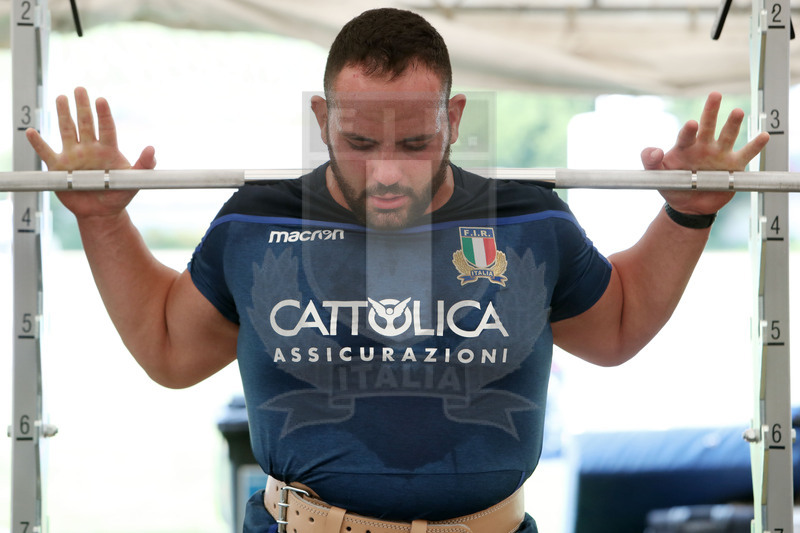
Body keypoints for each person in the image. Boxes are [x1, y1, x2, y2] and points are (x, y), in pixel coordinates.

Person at [26, 7, 768, 533]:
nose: (386, 171)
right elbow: (168, 347)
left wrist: (686, 214)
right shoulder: (258, 217)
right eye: (357, 140)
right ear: (321, 118)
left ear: (455, 115)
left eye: (415, 142)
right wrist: (103, 217)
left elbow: (618, 325)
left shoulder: (529, 220)